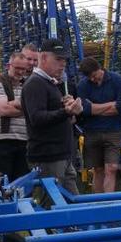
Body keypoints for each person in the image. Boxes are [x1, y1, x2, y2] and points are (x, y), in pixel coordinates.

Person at [22, 39, 82, 194]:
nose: (62, 64)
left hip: (61, 155)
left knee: (73, 204)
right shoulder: (35, 84)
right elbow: (37, 118)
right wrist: (66, 111)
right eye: (58, 59)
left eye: (64, 60)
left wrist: (68, 108)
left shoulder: (50, 83)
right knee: (51, 207)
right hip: (48, 158)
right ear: (43, 58)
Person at [77, 57, 121, 193]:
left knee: (111, 168)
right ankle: (98, 202)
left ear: (100, 69)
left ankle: (109, 202)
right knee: (98, 169)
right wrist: (111, 104)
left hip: (113, 131)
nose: (93, 80)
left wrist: (95, 109)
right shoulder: (83, 85)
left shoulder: (117, 81)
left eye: (94, 76)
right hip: (92, 131)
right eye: (90, 78)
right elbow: (84, 110)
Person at [0, 50, 35, 182]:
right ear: (8, 66)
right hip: (4, 140)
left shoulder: (28, 85)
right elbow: (3, 110)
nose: (20, 72)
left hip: (25, 140)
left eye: (23, 69)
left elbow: (36, 107)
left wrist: (15, 104)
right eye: (17, 68)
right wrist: (28, 108)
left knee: (23, 183)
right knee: (4, 182)